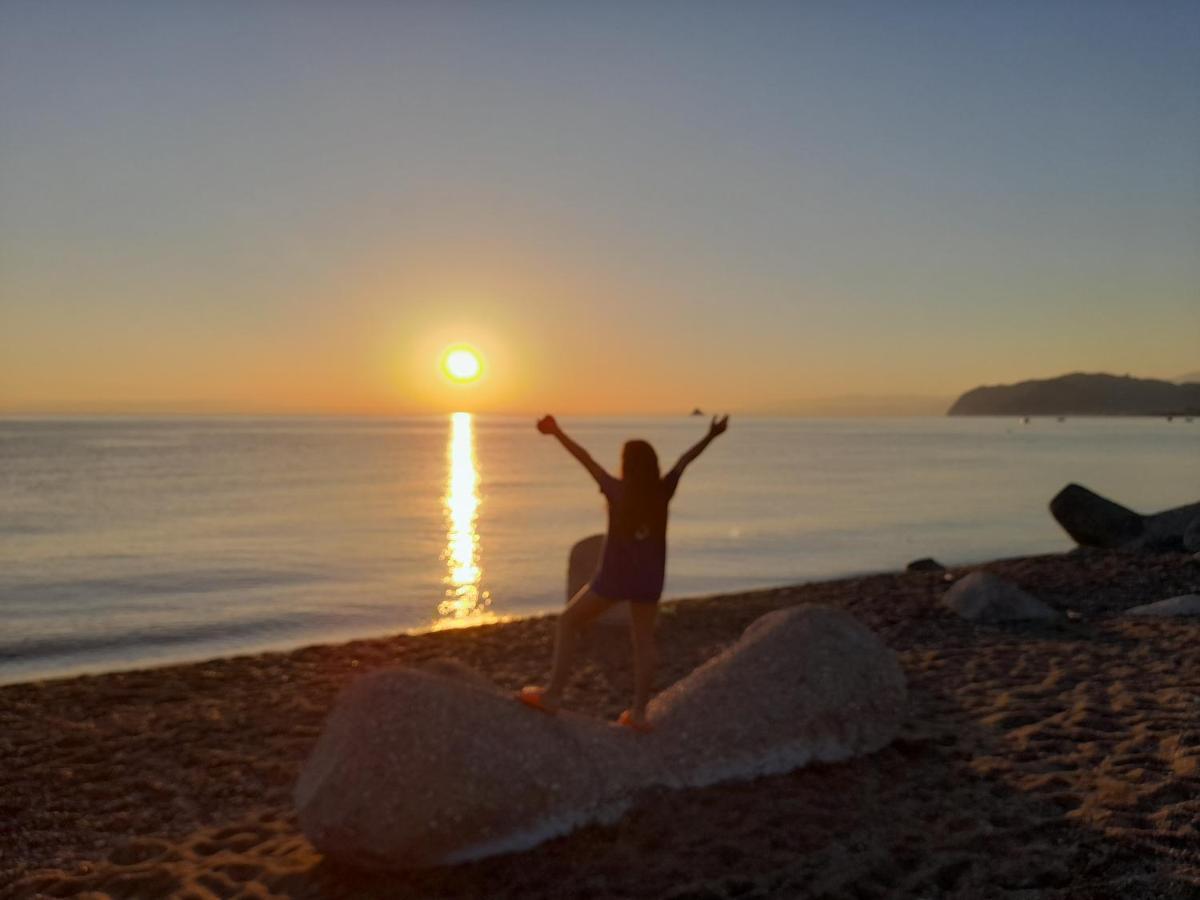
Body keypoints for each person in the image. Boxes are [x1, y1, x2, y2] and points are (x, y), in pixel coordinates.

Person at [518, 413, 730, 732]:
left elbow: (584, 458)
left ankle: (553, 695)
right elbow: (687, 459)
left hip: (613, 579)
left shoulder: (615, 490)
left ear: (626, 465)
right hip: (649, 580)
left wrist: (557, 431)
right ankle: (640, 714)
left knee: (568, 621)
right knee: (643, 641)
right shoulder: (663, 490)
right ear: (652, 464)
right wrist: (712, 435)